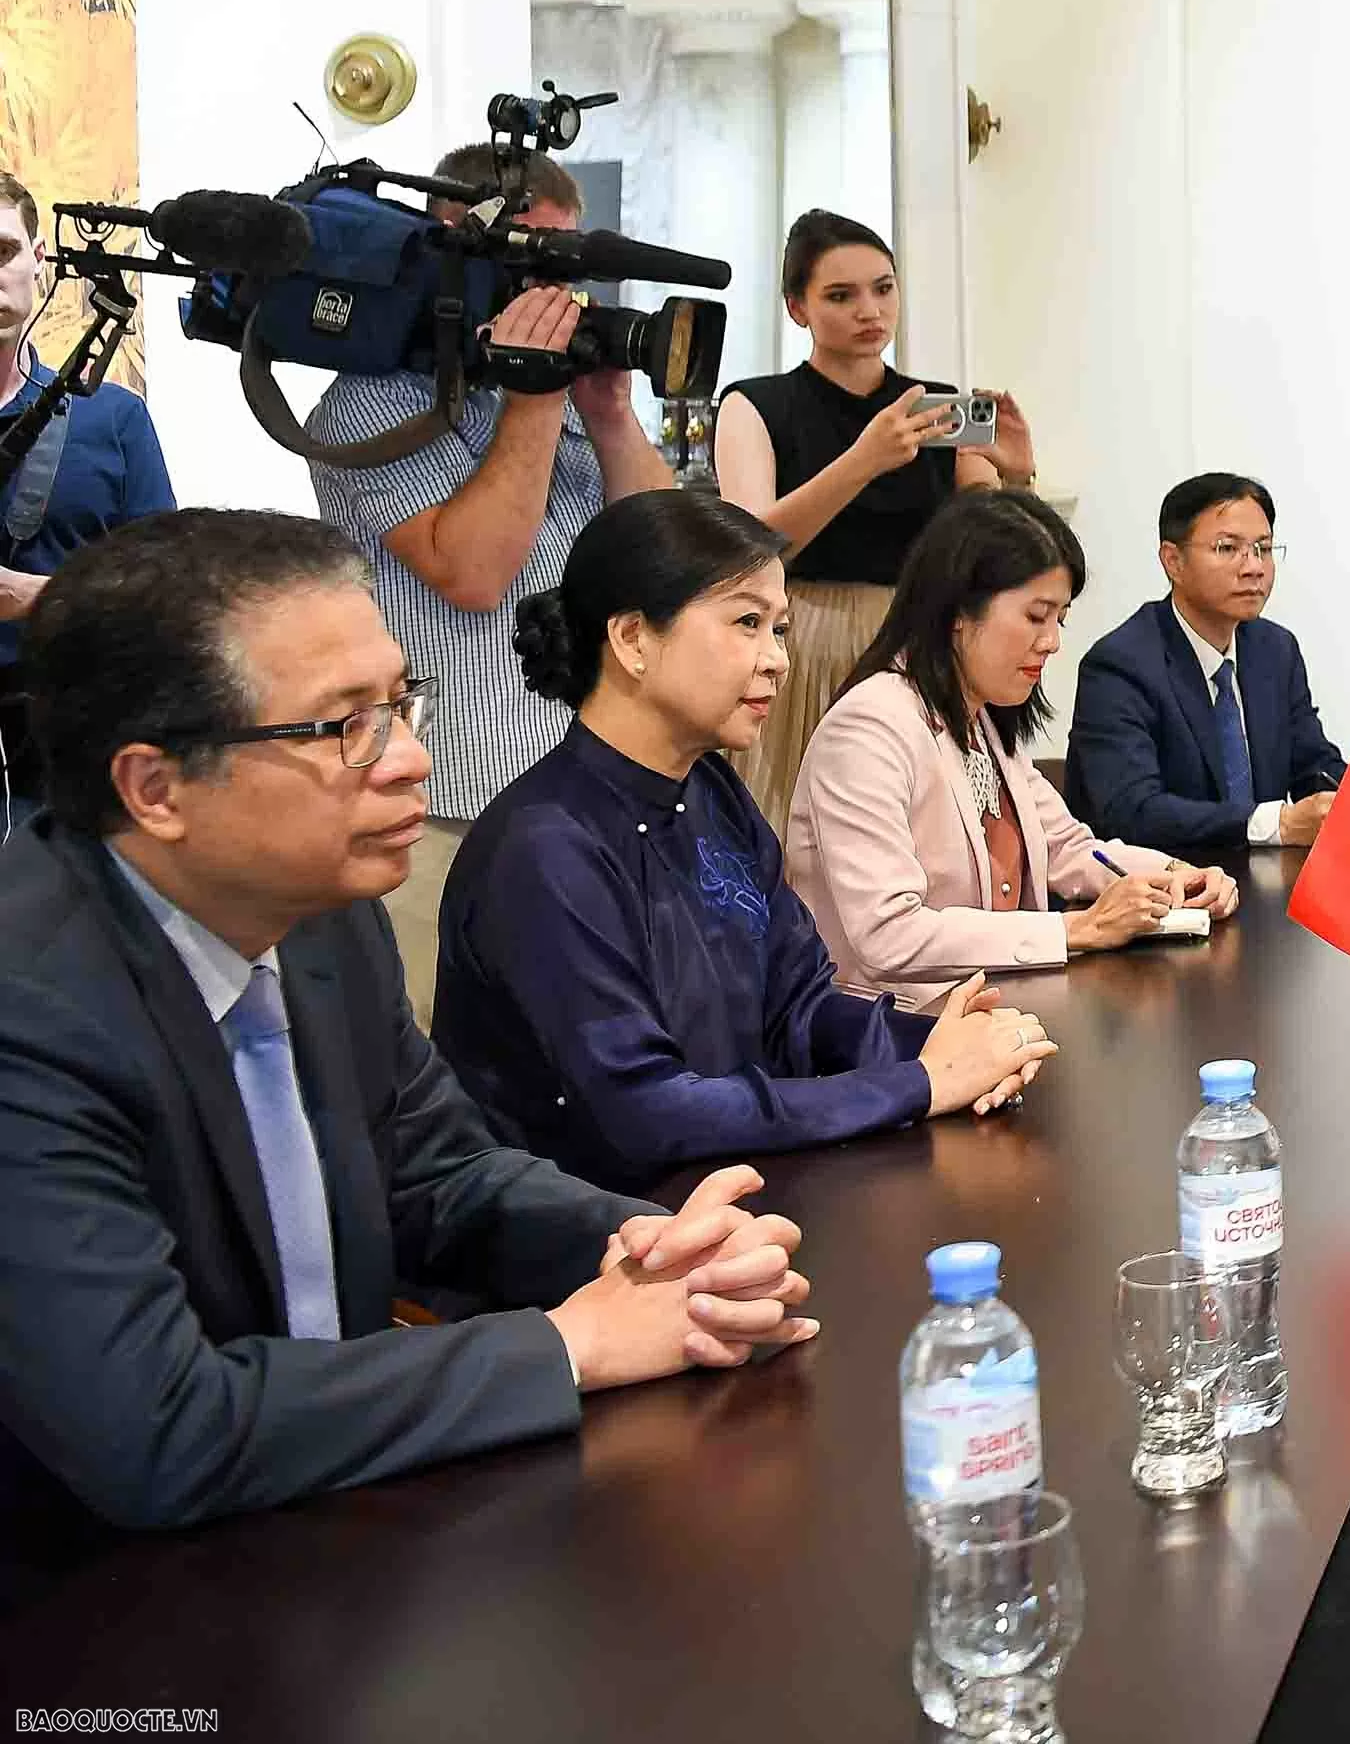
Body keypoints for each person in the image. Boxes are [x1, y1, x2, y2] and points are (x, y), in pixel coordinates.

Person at [0, 510, 816, 1604]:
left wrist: (653, 1246)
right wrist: (569, 1346)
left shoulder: (325, 917)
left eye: (400, 703)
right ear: (155, 788)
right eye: (346, 727)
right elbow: (157, 1426)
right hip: (97, 1611)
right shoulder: (29, 1010)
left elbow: (442, 1175)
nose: (411, 760)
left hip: (337, 1535)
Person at [430, 491, 1056, 1191]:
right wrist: (920, 1082)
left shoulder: (711, 788)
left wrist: (948, 1046)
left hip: (739, 1190)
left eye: (779, 629)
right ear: (632, 639)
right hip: (610, 1227)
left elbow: (800, 1008)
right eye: (748, 623)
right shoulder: (543, 848)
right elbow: (647, 1112)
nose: (778, 660)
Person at [306, 146, 674, 1018]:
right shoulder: (371, 402)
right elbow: (473, 573)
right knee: (434, 1042)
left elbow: (662, 557)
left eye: (566, 269)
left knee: (586, 1040)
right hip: (444, 802)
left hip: (590, 788)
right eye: (529, 267)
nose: (553, 298)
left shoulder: (571, 400)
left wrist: (611, 416)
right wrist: (533, 400)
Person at [788, 491, 1236, 1005]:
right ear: (958, 610)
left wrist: (1176, 875)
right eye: (1036, 616)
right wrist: (1077, 929)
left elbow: (1069, 848)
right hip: (889, 1031)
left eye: (1059, 620)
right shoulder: (869, 728)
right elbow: (888, 932)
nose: (1052, 642)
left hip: (987, 1014)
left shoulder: (982, 719)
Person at [712, 211, 1038, 831]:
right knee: (794, 830)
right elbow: (747, 550)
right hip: (803, 638)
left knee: (929, 835)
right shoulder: (755, 403)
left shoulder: (936, 404)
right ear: (798, 308)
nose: (870, 310)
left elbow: (987, 550)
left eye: (883, 288)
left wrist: (1017, 477)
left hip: (920, 639)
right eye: (841, 295)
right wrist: (863, 461)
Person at [0, 172, 175, 837]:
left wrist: (33, 597)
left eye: (3, 252)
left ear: (39, 262)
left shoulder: (114, 418)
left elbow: (166, 598)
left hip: (69, 755)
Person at [1065, 471, 1348, 858]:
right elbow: (1132, 812)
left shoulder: (1275, 650)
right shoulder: (1120, 665)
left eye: (1263, 549)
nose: (1254, 567)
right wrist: (1275, 823)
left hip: (1267, 882)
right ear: (1173, 561)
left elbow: (1315, 767)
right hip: (1164, 886)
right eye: (1227, 548)